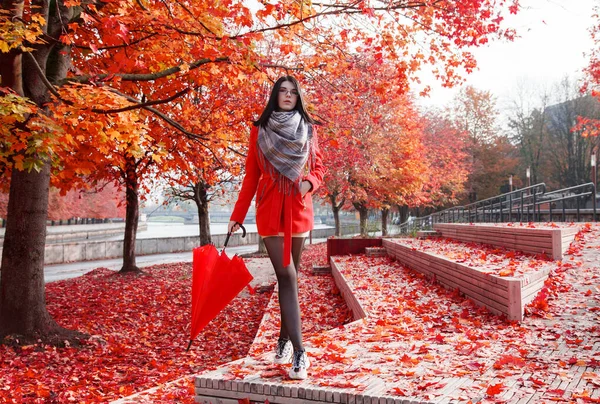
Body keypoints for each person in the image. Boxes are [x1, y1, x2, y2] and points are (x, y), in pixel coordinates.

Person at [228, 76, 325, 380]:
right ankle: (300, 352)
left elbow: (319, 167)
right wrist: (237, 214)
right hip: (269, 207)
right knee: (287, 275)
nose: (287, 95)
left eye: (293, 92)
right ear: (275, 95)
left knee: (289, 279)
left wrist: (309, 183)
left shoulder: (309, 129)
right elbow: (250, 176)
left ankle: (283, 339)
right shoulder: (259, 130)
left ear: (298, 97)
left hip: (297, 207)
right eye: (282, 91)